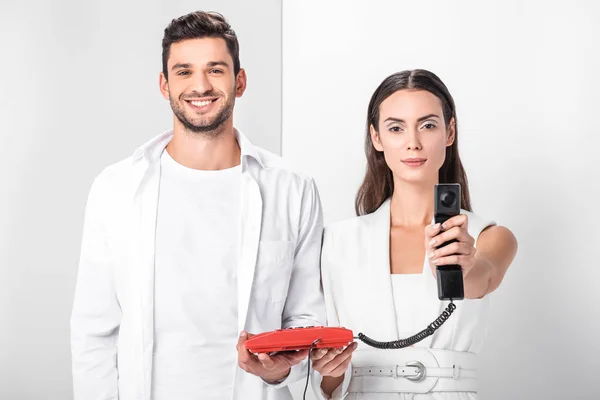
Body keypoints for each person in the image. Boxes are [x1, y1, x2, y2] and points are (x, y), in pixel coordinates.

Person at [71, 11, 325, 400]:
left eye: (215, 70)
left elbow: (307, 319)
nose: (200, 86)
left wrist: (279, 371)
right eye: (184, 71)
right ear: (164, 84)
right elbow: (94, 332)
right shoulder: (116, 189)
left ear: (239, 82)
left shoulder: (292, 189)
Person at [310, 69, 518, 399]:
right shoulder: (335, 243)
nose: (413, 142)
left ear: (449, 132)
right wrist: (329, 371)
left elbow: (484, 277)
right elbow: (323, 379)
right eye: (396, 127)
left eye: (428, 125)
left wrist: (462, 267)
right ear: (377, 137)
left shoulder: (489, 236)